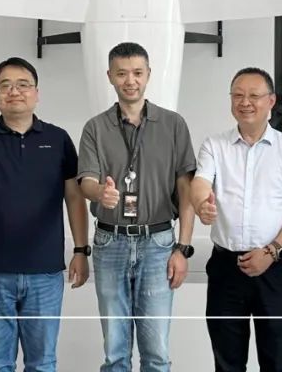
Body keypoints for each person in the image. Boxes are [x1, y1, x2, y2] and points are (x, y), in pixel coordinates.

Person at [0, 57, 89, 372]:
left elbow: (74, 197)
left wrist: (81, 250)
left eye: (22, 85)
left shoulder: (58, 139)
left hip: (45, 272)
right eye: (5, 86)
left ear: (36, 93)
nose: (14, 91)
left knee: (42, 362)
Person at [78, 41, 196, 372]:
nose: (130, 80)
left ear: (148, 75)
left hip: (158, 243)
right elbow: (85, 182)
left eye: (137, 73)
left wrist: (183, 248)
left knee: (156, 352)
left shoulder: (173, 124)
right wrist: (100, 193)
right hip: (110, 242)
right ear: (110, 76)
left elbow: (186, 190)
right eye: (121, 74)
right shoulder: (95, 127)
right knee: (115, 352)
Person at [192, 67, 282, 372]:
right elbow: (201, 182)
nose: (244, 102)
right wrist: (201, 204)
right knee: (227, 362)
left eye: (253, 96)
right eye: (237, 95)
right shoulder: (214, 145)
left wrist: (272, 251)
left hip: (274, 267)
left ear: (271, 101)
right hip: (226, 267)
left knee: (276, 361)